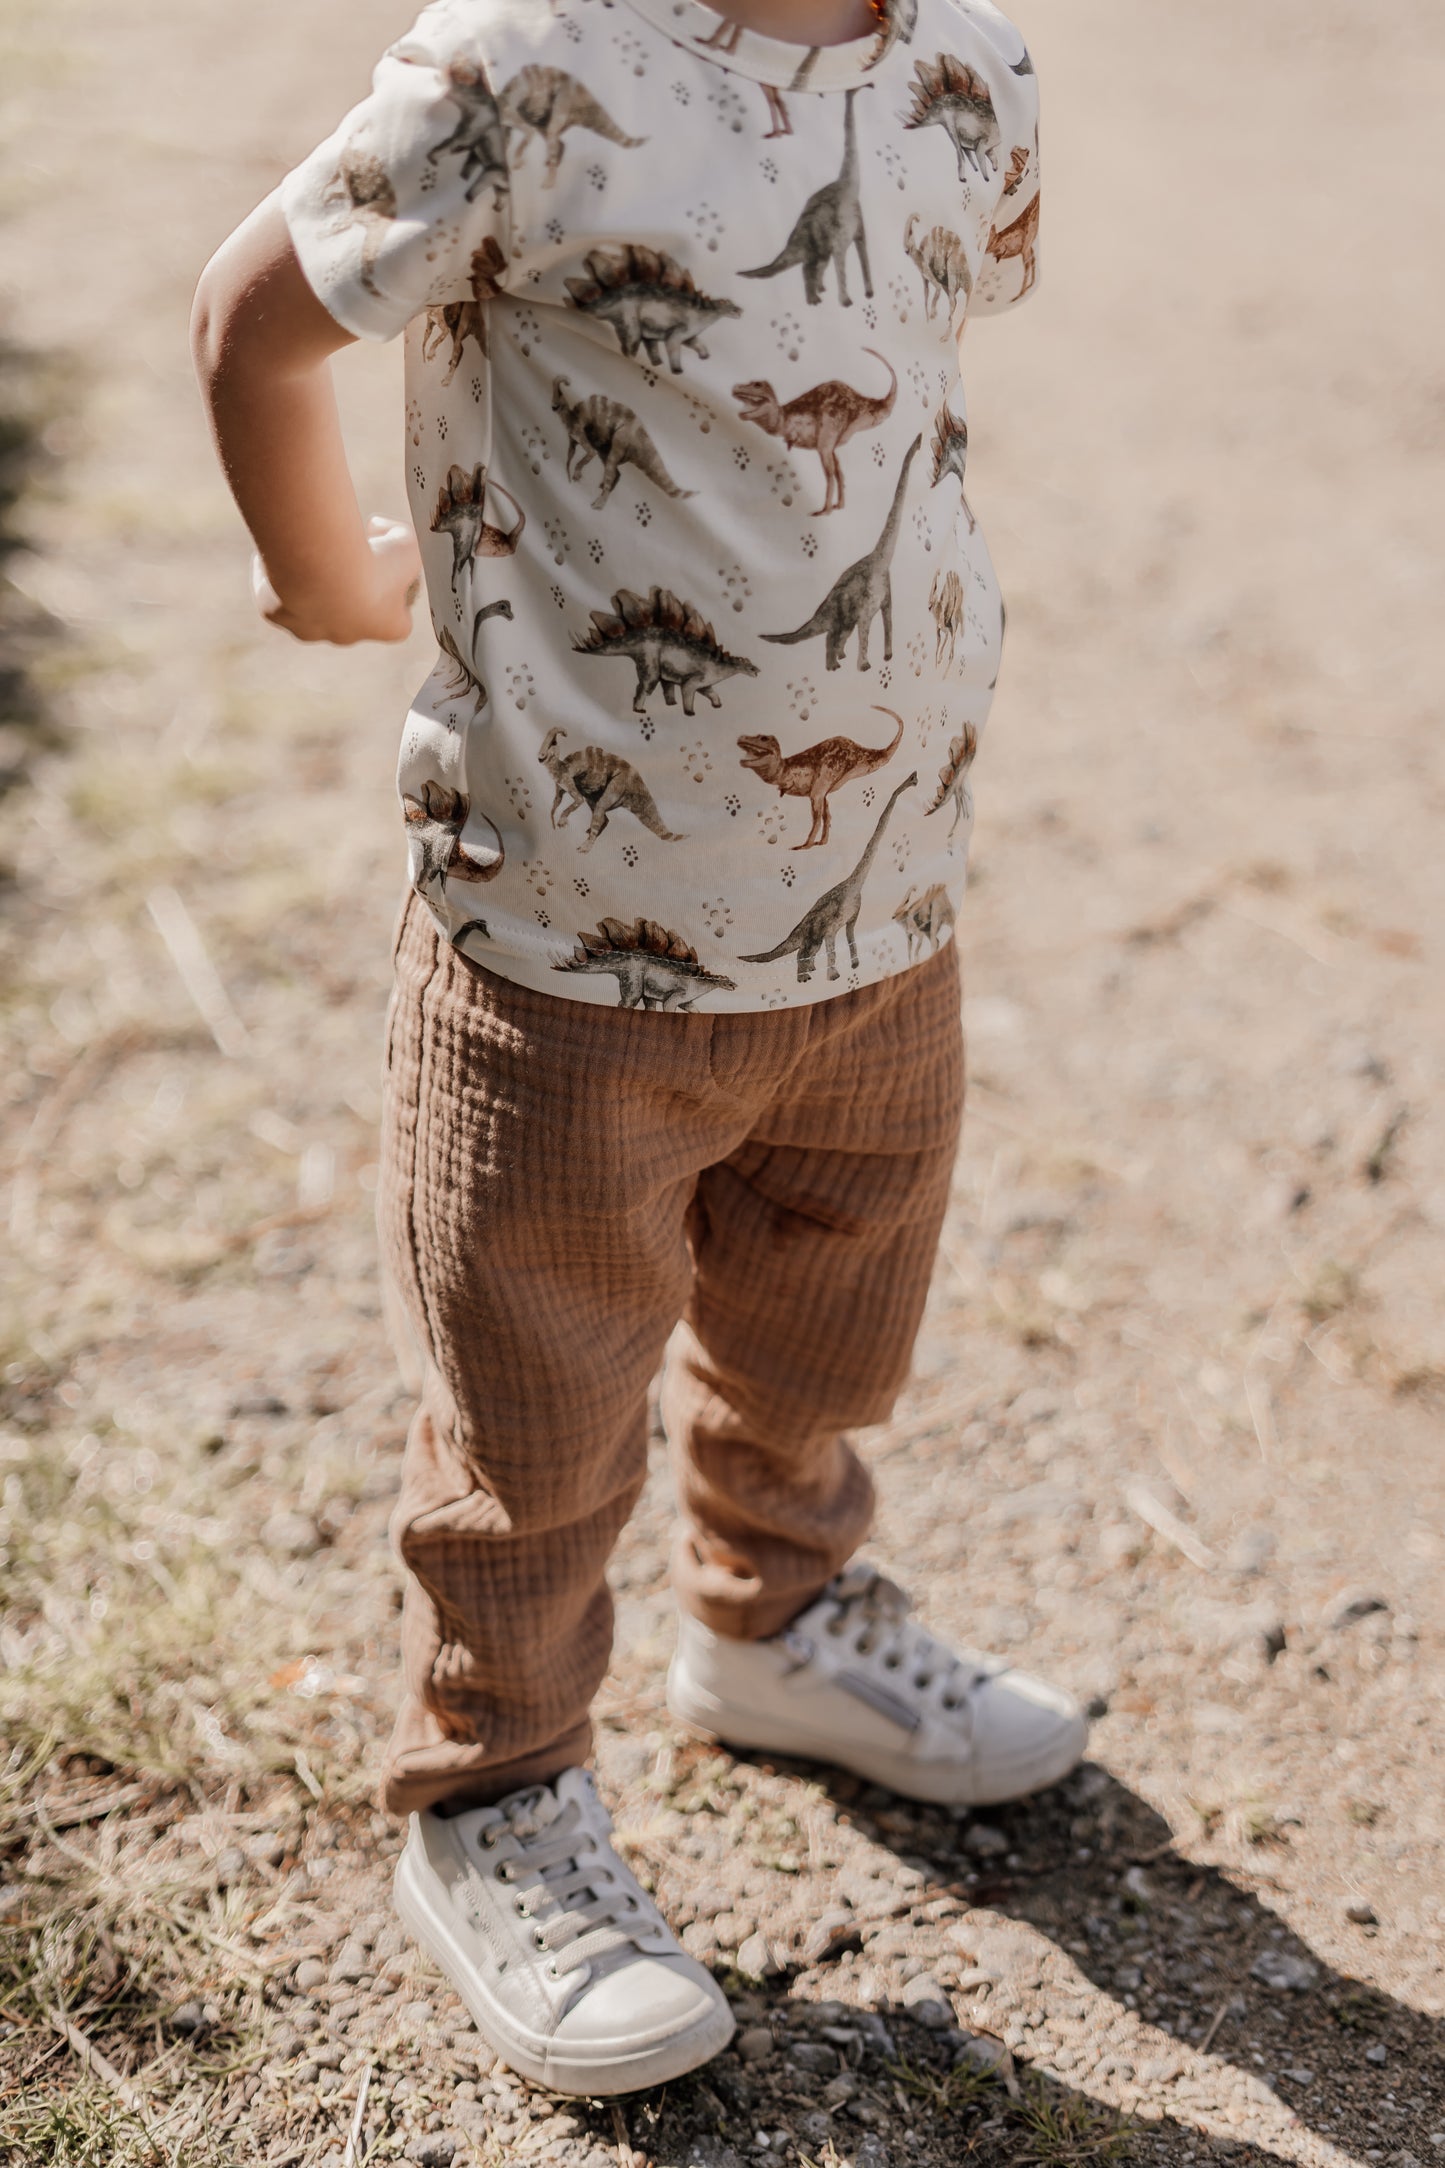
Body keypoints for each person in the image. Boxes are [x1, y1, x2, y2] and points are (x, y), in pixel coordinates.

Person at [191, 0, 1077, 2098]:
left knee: (827, 1326)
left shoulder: (971, 67)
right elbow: (254, 312)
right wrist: (332, 579)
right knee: (537, 1405)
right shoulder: (527, 65)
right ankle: (491, 1785)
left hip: (881, 913)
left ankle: (770, 1615)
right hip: (567, 940)